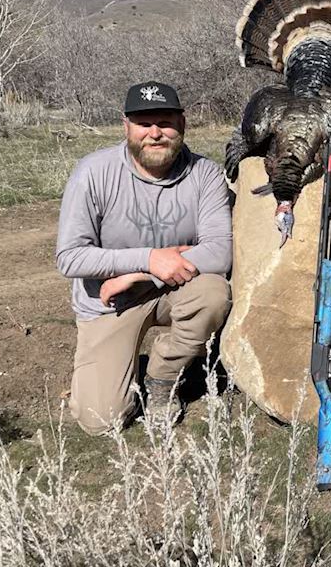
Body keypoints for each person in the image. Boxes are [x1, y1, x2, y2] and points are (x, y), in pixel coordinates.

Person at [54, 81, 234, 434]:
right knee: (101, 421)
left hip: (172, 289)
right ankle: (118, 366)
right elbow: (70, 258)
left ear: (182, 123)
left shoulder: (205, 174)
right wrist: (149, 259)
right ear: (126, 126)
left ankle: (163, 377)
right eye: (144, 123)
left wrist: (142, 274)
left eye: (165, 122)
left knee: (213, 293)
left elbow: (219, 252)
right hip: (110, 302)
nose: (155, 133)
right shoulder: (93, 172)